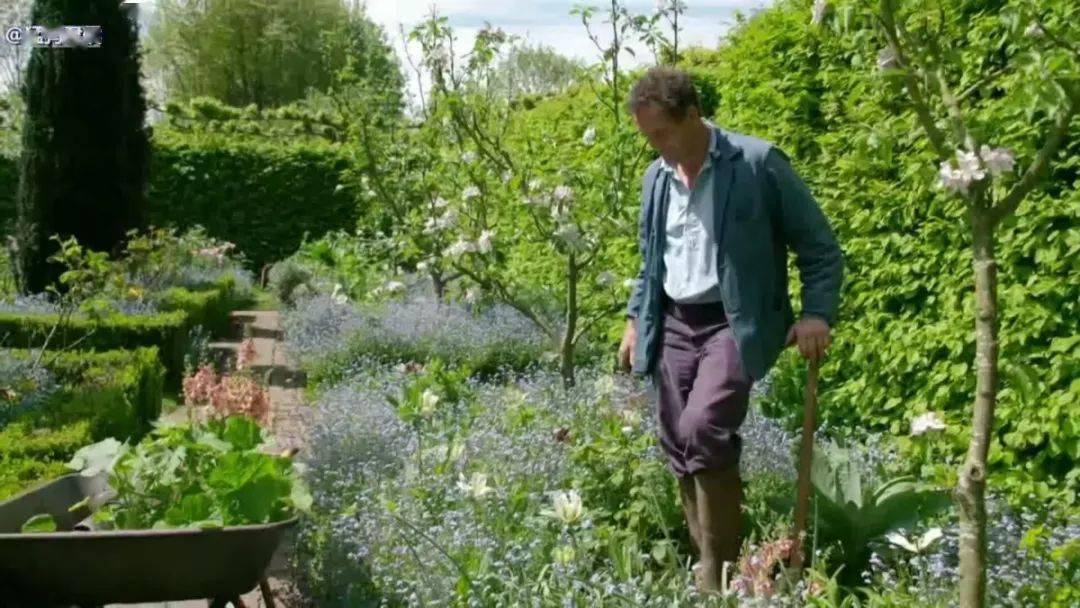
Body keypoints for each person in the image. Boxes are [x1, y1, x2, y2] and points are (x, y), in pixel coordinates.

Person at [617, 66, 843, 592]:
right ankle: (715, 567)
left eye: (661, 133)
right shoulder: (656, 179)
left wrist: (816, 313)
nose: (655, 146)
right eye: (646, 135)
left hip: (733, 322)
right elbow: (652, 260)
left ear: (693, 115)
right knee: (677, 441)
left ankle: (715, 579)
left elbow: (819, 247)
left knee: (702, 430)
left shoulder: (757, 163)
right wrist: (635, 317)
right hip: (674, 319)